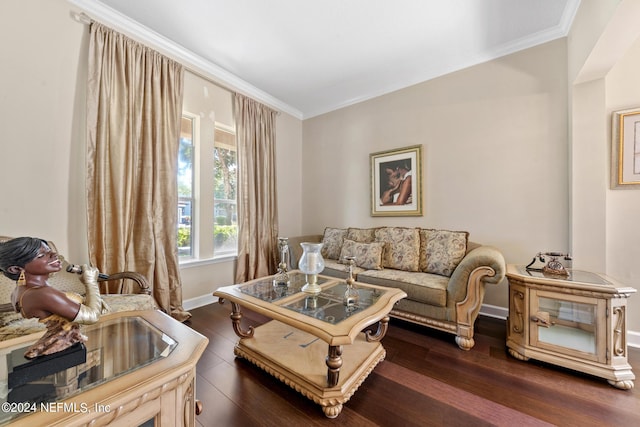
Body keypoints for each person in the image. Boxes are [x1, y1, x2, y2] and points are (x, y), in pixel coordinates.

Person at [0, 237, 106, 358]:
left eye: (50, 250)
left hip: (66, 336)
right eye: (41, 255)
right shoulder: (41, 293)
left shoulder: (22, 290)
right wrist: (91, 282)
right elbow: (91, 317)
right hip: (61, 344)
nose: (54, 254)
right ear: (16, 269)